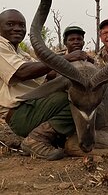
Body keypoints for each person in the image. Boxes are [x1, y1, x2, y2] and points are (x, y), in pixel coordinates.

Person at [0, 9, 89, 160]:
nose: (17, 28)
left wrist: (82, 67)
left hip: (32, 106)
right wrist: (66, 59)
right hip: (20, 113)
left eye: (22, 25)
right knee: (77, 100)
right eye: (10, 24)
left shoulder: (20, 53)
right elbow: (21, 72)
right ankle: (37, 139)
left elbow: (49, 73)